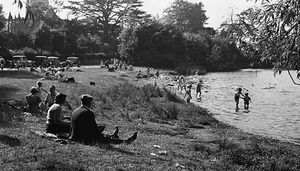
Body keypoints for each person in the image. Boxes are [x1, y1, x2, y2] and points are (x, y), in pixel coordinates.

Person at [69, 94, 137, 145]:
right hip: (83, 139)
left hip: (74, 137)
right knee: (105, 139)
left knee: (103, 135)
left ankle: (112, 136)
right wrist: (102, 135)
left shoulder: (75, 111)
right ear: (89, 103)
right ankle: (125, 141)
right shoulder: (88, 112)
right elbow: (94, 130)